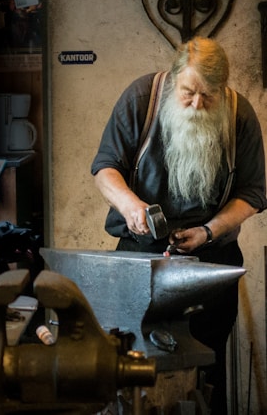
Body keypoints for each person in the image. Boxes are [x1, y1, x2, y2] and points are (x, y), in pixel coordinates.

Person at [90, 36, 267, 414]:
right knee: (132, 365)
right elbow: (105, 168)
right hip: (140, 257)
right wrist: (130, 205)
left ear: (223, 88)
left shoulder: (240, 115)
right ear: (173, 81)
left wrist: (210, 230)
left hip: (210, 258)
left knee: (206, 366)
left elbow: (253, 193)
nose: (198, 104)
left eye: (209, 95)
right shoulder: (141, 99)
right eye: (188, 92)